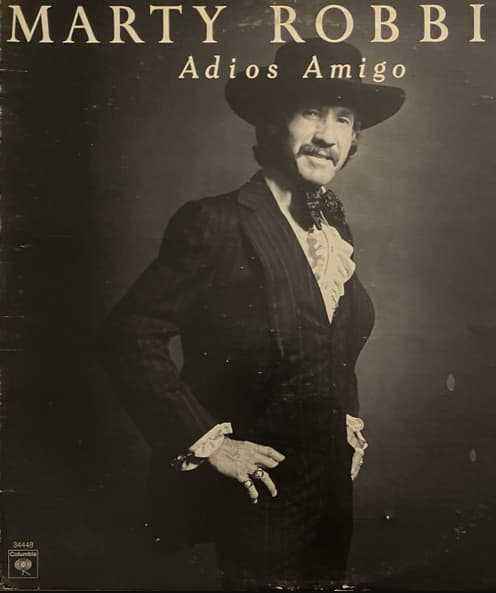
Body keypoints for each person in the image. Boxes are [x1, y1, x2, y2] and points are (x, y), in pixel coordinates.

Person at [99, 38, 405, 589]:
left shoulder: (333, 232)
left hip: (330, 493)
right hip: (253, 496)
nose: (327, 135)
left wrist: (344, 424)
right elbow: (128, 336)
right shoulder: (215, 222)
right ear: (271, 122)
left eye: (343, 118)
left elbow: (330, 342)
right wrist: (210, 443)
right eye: (309, 111)